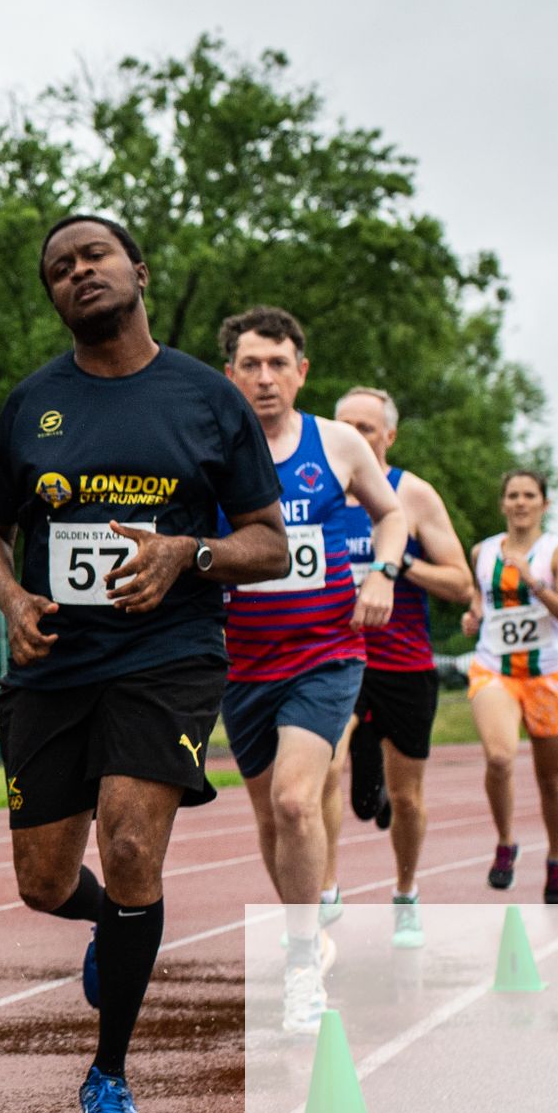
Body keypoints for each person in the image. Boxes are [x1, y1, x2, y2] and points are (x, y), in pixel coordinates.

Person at [0, 214, 287, 1113]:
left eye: (94, 255)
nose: (78, 272)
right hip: (55, 662)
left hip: (168, 654)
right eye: (59, 268)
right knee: (43, 882)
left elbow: (268, 544)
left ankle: (107, 1074)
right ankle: (112, 921)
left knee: (133, 842)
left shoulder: (207, 398)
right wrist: (12, 598)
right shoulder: (34, 403)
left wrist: (189, 553)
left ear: (138, 271)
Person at [218, 308, 406, 1033]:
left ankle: (302, 965)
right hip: (243, 663)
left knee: (297, 802)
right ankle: (307, 931)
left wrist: (383, 573)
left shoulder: (338, 443)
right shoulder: (211, 447)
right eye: (251, 364)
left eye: (278, 364)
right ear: (231, 374)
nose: (265, 378)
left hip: (326, 654)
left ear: (302, 372)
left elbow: (391, 516)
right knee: (272, 816)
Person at [319, 387, 472, 948]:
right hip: (333, 656)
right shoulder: (315, 492)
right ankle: (326, 890)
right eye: (344, 425)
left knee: (406, 798)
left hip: (402, 663)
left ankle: (406, 893)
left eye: (366, 427)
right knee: (322, 769)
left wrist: (399, 563)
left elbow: (460, 583)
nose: (354, 435)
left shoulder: (413, 494)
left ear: (389, 435)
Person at [462, 469, 558, 903]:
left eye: (529, 495)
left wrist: (534, 584)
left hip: (548, 676)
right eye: (512, 495)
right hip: (494, 669)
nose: (520, 502)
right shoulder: (482, 552)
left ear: (544, 504)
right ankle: (506, 841)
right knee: (499, 757)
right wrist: (473, 616)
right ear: (503, 503)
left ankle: (556, 857)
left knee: (551, 780)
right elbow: (479, 600)